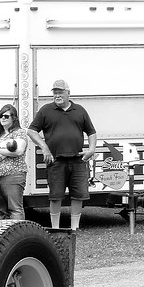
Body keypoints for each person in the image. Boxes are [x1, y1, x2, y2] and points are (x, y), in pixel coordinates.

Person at [28, 79, 97, 230]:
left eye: (60, 92)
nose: (57, 96)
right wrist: (44, 147)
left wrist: (91, 149)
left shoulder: (80, 110)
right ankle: (55, 228)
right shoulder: (46, 110)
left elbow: (91, 132)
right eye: (55, 93)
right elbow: (32, 131)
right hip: (56, 160)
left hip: (78, 159)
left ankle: (74, 228)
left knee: (79, 195)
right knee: (55, 196)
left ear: (68, 93)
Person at [0, 104, 29, 220]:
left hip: (13, 175)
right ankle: (3, 237)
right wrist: (1, 151)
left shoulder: (19, 132)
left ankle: (17, 236)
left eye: (6, 116)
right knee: (0, 211)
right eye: (0, 116)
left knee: (15, 209)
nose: (2, 118)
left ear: (14, 118)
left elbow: (19, 151)